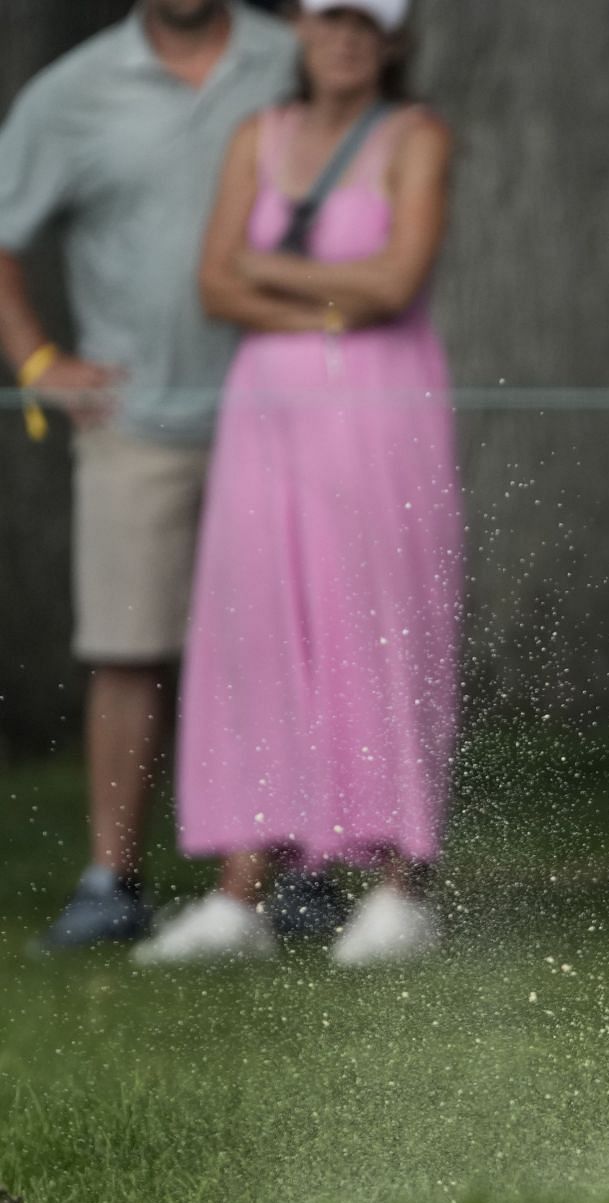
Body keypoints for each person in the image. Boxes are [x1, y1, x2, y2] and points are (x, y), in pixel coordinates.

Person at [133, 0, 461, 965]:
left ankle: (399, 886)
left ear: (391, 39)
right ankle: (242, 893)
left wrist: (272, 272)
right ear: (301, 30)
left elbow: (396, 283)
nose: (345, 38)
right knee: (257, 632)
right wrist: (334, 291)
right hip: (266, 417)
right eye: (328, 20)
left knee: (378, 624)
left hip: (381, 409)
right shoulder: (257, 135)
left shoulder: (417, 135)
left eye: (364, 23)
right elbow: (214, 284)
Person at [0, 0, 297, 951]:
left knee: (272, 649)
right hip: (137, 421)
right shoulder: (73, 92)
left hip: (284, 416)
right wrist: (40, 365)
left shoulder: (289, 58)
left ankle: (282, 877)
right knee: (128, 649)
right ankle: (111, 880)